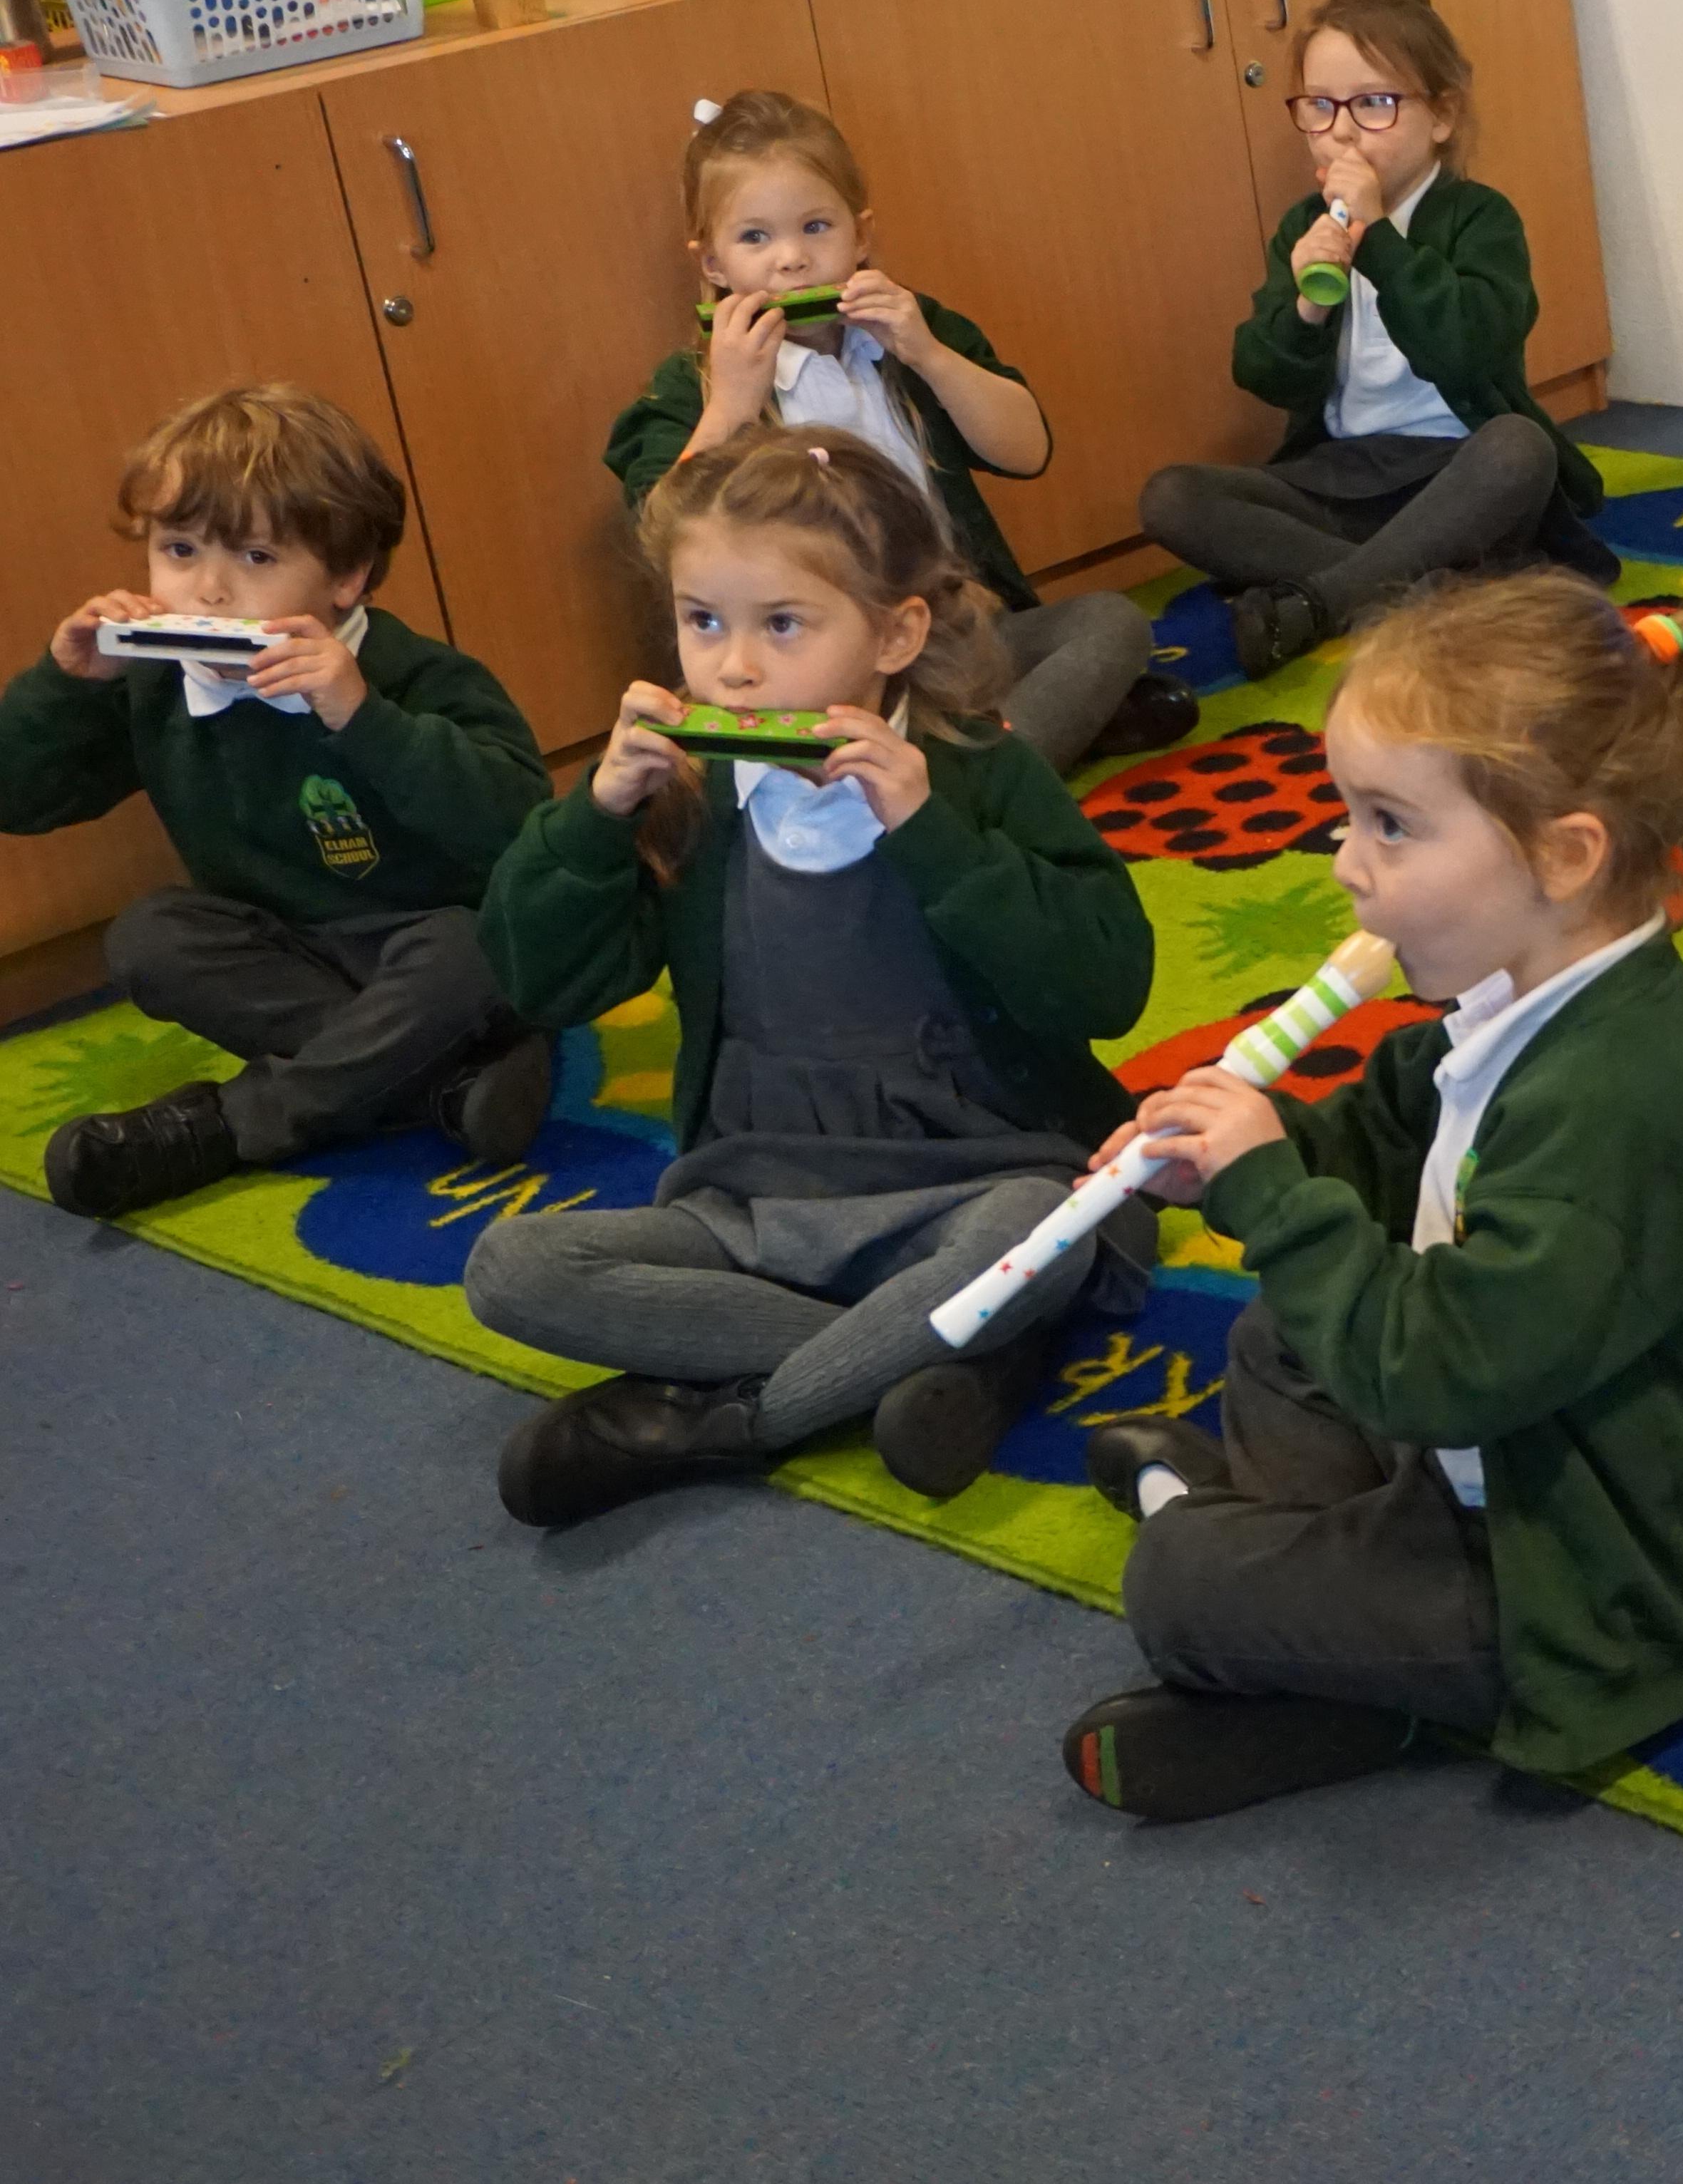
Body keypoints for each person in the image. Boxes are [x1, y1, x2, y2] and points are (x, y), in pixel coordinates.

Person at [1056, 571, 1683, 1825]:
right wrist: (1254, 1154)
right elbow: (1382, 1142)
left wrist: (1272, 1194)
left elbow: (1450, 1370)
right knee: (1279, 1338)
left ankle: (1305, 1623)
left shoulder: (1612, 1095)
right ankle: (1322, 1608)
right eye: (1350, 817)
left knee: (1180, 1584)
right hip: (1508, 1447)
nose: (1345, 864)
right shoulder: (1517, 994)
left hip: (1608, 1571)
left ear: (1563, 857)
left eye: (1390, 825)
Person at [464, 428, 1159, 1525]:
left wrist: (934, 835)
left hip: (975, 1181)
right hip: (756, 1200)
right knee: (512, 1269)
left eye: (782, 624)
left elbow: (1108, 986)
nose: (733, 667)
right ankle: (942, 1356)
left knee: (1042, 1230)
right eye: (702, 621)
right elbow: (543, 982)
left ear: (895, 633)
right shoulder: (687, 793)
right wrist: (591, 820)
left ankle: (737, 1419)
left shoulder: (979, 776)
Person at [1, 386, 553, 1218]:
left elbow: (523, 837)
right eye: (179, 550)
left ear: (347, 577)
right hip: (289, 954)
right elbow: (18, 796)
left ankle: (226, 1126)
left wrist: (365, 720)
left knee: (473, 948)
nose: (208, 591)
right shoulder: (154, 685)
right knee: (150, 936)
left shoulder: (417, 677)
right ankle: (445, 1084)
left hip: (435, 947)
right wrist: (65, 686)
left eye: (256, 558)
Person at [609, 90, 1188, 771]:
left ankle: (965, 770)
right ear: (712, 263)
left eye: (816, 227)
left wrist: (930, 356)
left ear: (862, 236)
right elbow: (665, 533)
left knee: (1110, 623)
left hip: (953, 635)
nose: (791, 259)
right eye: (755, 238)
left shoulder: (909, 331)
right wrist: (732, 405)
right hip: (805, 667)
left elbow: (1028, 451)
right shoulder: (696, 386)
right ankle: (993, 766)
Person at [1136, 0, 1613, 681]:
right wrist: (1308, 306)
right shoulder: (1305, 227)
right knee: (1172, 497)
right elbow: (1263, 374)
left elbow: (1467, 350)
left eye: (1374, 104)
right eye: (1320, 106)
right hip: (1345, 478)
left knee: (1520, 447)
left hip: (1458, 474)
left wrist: (1380, 240)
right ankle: (1416, 595)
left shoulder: (1480, 218)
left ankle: (1323, 600)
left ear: (1442, 115)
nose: (1343, 131)